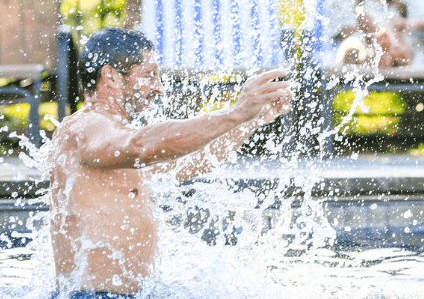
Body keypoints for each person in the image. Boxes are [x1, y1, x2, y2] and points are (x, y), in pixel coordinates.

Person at [48, 27, 292, 298]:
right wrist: (234, 113)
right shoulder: (86, 125)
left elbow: (193, 163)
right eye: (150, 74)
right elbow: (140, 147)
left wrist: (253, 119)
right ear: (111, 76)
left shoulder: (114, 135)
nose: (159, 87)